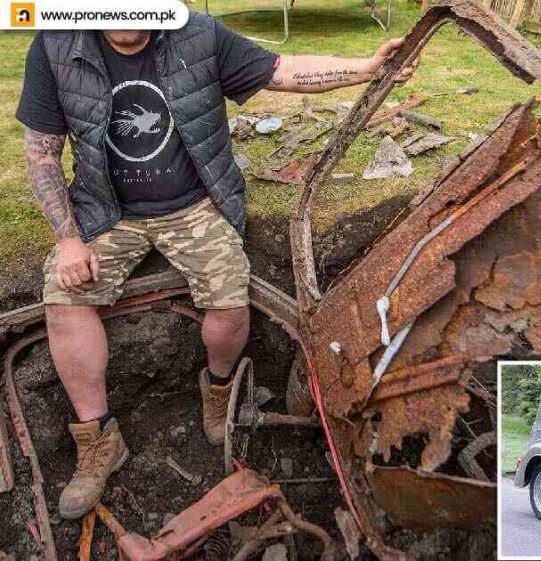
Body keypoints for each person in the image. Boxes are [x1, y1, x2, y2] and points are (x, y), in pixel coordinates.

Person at [15, 12, 413, 520]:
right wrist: (69, 239)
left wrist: (366, 68)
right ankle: (98, 440)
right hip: (104, 211)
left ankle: (219, 390)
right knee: (65, 300)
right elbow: (42, 153)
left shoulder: (198, 36)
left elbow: (282, 70)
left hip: (195, 206)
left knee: (229, 297)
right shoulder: (56, 47)